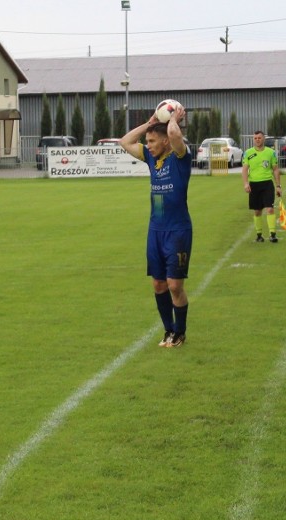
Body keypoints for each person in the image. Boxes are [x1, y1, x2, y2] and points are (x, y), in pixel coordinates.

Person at [119, 104, 192, 348]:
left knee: (174, 285)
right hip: (156, 231)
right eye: (147, 141)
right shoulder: (152, 158)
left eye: (152, 140)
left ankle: (180, 332)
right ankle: (168, 331)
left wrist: (174, 120)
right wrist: (149, 124)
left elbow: (174, 135)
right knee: (158, 284)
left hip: (178, 231)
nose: (148, 145)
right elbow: (125, 141)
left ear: (165, 143)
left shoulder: (181, 157)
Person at [241, 131, 282, 243]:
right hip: (254, 184)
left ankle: (272, 235)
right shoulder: (248, 153)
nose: (257, 140)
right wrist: (246, 183)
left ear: (263, 139)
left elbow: (275, 169)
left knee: (270, 209)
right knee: (257, 211)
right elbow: (244, 169)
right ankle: (259, 236)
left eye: (259, 138)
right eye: (255, 138)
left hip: (267, 184)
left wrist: (278, 186)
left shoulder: (271, 153)